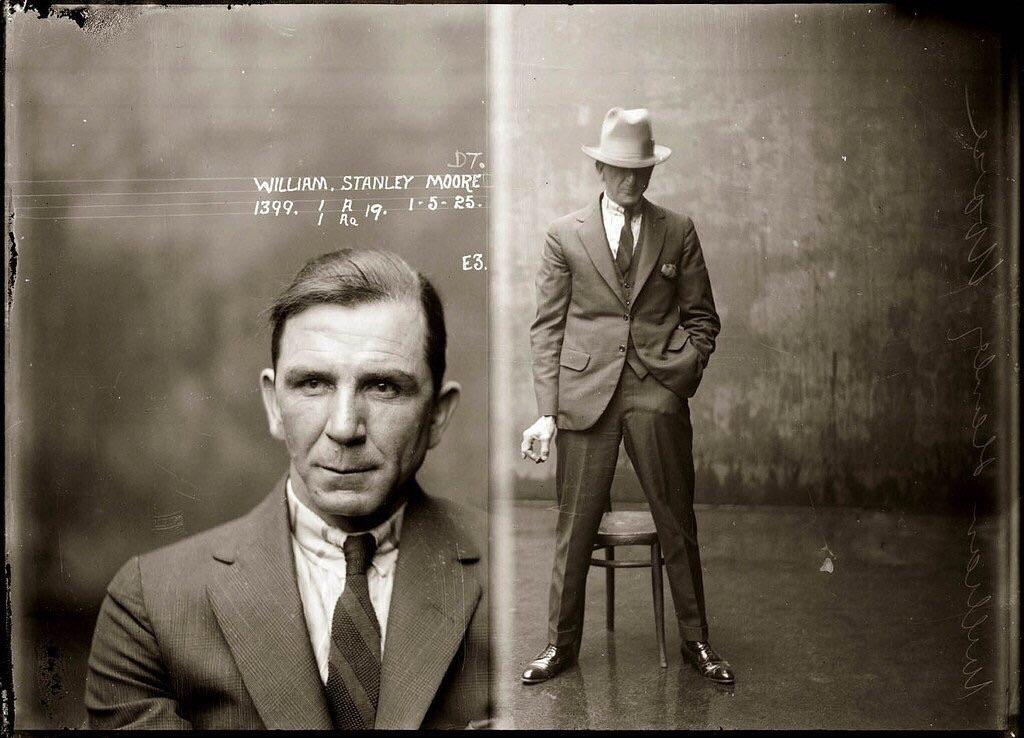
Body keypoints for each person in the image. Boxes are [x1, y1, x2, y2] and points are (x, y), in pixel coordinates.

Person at [85, 249, 490, 729]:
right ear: (273, 405)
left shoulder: (520, 585)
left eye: (382, 387)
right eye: (313, 384)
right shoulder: (150, 604)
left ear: (438, 415)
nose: (344, 427)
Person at [520, 107, 732, 686]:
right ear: (599, 168)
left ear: (651, 171)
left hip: (655, 392)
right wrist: (546, 410)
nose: (631, 181)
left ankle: (697, 642)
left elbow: (703, 317)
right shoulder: (565, 235)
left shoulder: (677, 229)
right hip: (585, 394)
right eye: (619, 169)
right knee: (575, 524)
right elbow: (547, 327)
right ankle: (560, 646)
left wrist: (678, 373)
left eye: (641, 170)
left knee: (676, 518)